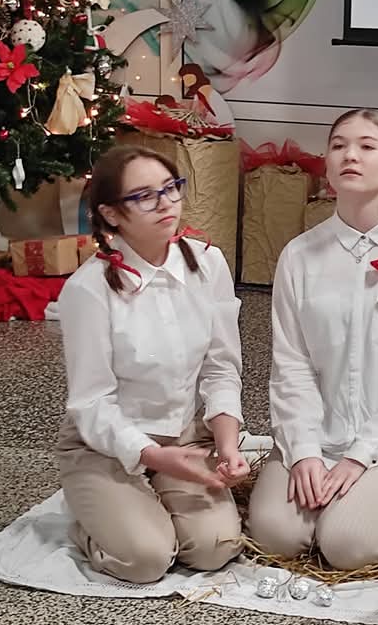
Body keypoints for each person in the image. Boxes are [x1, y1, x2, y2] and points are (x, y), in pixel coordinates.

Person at [248, 108, 378, 569]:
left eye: (366, 146)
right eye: (339, 145)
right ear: (326, 163)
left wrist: (360, 457)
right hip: (318, 437)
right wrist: (303, 452)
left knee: (346, 545)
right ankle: (326, 487)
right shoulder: (299, 257)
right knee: (276, 534)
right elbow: (291, 366)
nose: (350, 155)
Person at [55, 144, 249, 584]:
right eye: (144, 196)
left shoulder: (208, 263)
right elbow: (91, 403)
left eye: (170, 188)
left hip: (181, 435)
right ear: (111, 214)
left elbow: (221, 367)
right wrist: (153, 456)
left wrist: (227, 444)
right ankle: (92, 512)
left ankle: (146, 502)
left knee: (216, 547)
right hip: (105, 445)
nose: (165, 203)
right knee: (146, 558)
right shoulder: (88, 290)